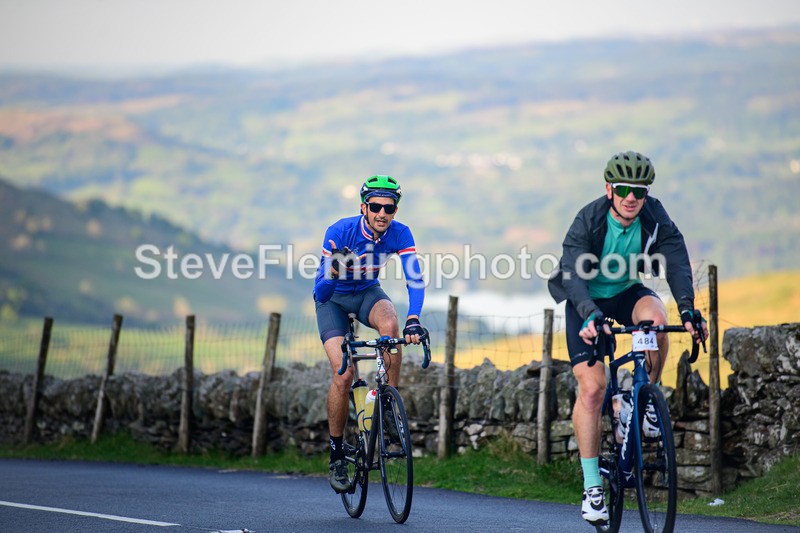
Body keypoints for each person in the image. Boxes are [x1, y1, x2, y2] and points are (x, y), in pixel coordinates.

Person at [547, 151, 709, 525]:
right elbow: (572, 273)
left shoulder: (654, 215)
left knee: (656, 319)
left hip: (624, 292)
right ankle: (592, 488)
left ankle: (643, 398)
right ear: (609, 189)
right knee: (593, 389)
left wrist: (688, 310)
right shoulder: (589, 219)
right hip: (585, 300)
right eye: (623, 189)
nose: (631, 197)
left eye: (639, 190)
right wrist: (590, 314)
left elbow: (676, 260)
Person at [313, 174, 426, 493]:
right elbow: (321, 293)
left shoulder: (400, 233)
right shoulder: (339, 231)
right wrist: (334, 271)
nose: (382, 213)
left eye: (388, 208)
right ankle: (336, 454)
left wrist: (414, 319)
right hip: (333, 300)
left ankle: (388, 406)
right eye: (375, 206)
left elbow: (415, 280)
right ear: (364, 207)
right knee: (344, 374)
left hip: (366, 292)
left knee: (391, 324)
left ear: (395, 210)